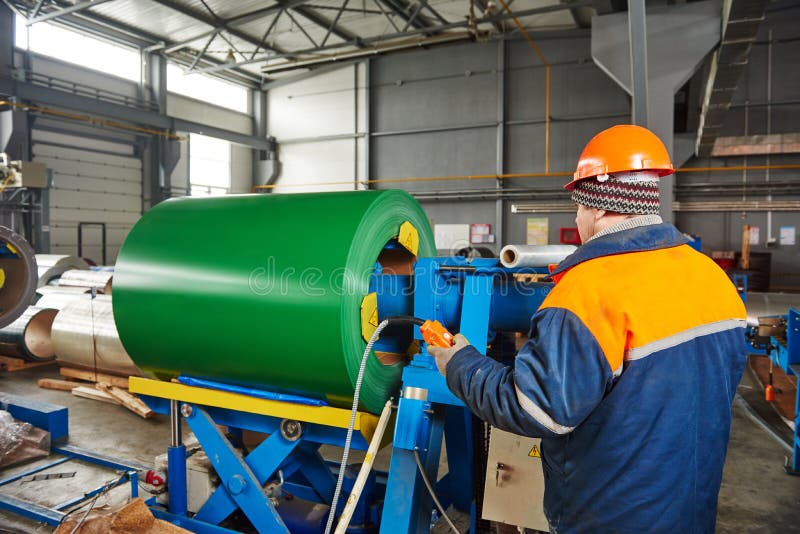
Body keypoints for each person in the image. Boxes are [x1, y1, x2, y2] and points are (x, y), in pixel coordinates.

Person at [428, 124, 747, 533]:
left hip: (612, 516)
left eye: (576, 207)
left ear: (596, 206)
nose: (576, 218)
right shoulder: (711, 277)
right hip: (691, 507)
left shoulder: (587, 291)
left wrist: (461, 363)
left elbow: (536, 409)